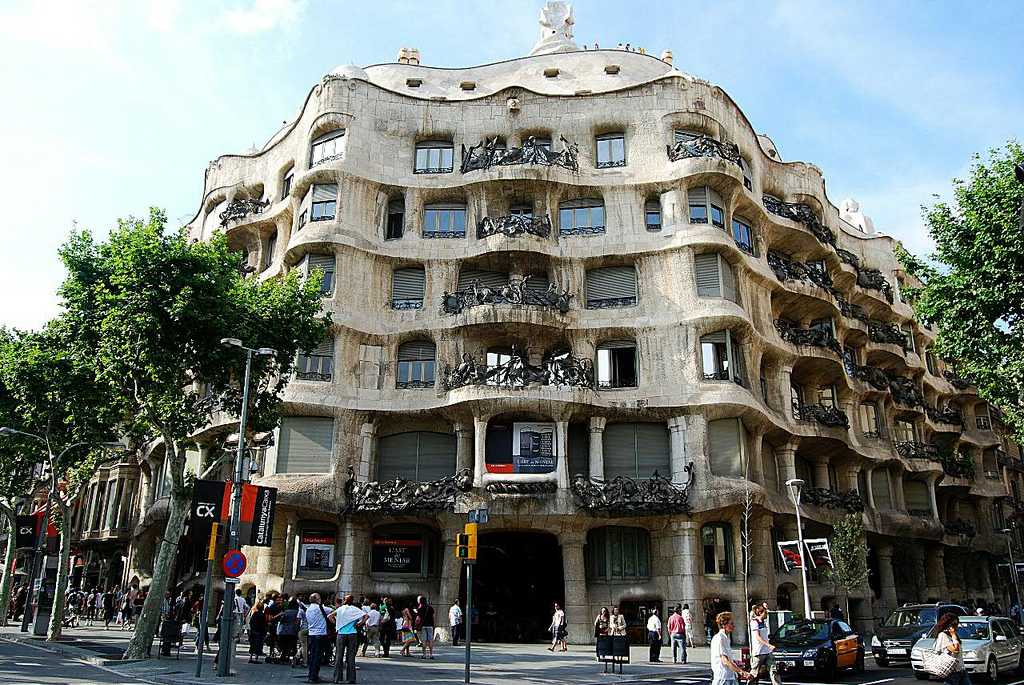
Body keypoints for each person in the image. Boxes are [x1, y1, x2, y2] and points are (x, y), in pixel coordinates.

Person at [330, 594, 367, 684]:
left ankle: (337, 678)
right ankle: (351, 678)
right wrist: (359, 624)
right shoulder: (355, 609)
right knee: (351, 656)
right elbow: (366, 616)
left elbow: (329, 616)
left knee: (339, 655)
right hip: (352, 633)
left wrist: (336, 624)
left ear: (344, 600)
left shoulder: (340, 609)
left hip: (341, 633)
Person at [711, 612, 749, 685]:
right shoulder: (720, 638)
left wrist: (735, 662)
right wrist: (741, 672)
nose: (733, 626)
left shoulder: (726, 638)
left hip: (730, 676)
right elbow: (724, 659)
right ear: (724, 625)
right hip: (723, 678)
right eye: (731, 624)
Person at [934, 613, 970, 685]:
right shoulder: (943, 636)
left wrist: (954, 636)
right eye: (954, 625)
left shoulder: (952, 635)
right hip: (952, 673)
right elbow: (955, 650)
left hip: (961, 670)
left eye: (957, 624)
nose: (956, 627)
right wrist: (953, 635)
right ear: (948, 625)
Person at [750, 605, 780, 685]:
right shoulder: (755, 622)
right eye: (765, 612)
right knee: (754, 673)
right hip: (759, 652)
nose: (767, 614)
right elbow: (758, 637)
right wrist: (769, 645)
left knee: (773, 670)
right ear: (760, 613)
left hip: (767, 651)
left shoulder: (764, 622)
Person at [306, 592, 330, 683]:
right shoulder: (320, 608)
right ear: (317, 600)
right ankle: (314, 676)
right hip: (320, 634)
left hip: (311, 634)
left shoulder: (308, 609)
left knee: (312, 655)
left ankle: (311, 673)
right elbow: (333, 612)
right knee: (318, 656)